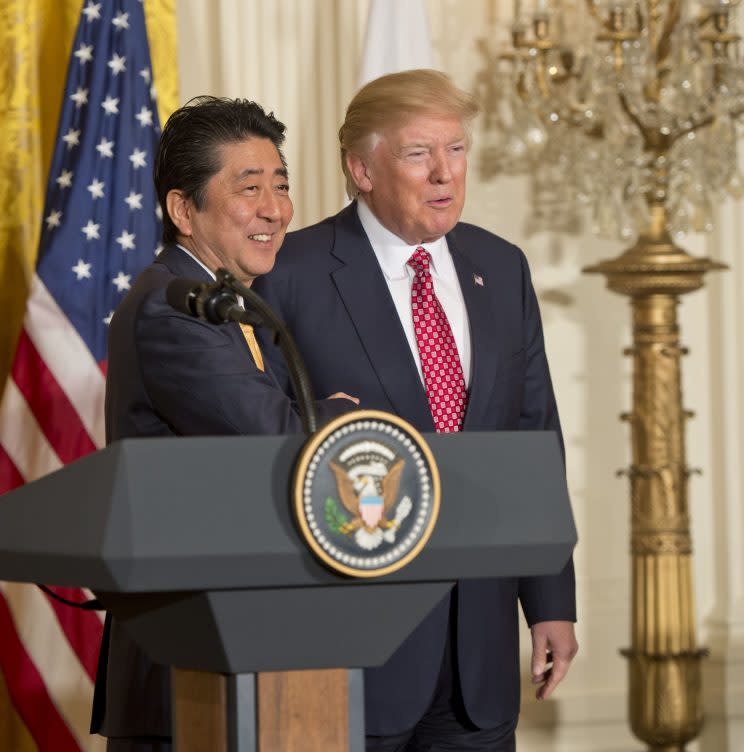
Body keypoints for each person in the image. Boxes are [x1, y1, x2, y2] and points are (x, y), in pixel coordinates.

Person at [253, 69, 578, 751]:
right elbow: (265, 455)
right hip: (349, 650)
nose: (444, 174)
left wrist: (550, 604)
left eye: (455, 150)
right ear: (360, 168)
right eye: (417, 153)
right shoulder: (291, 273)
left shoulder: (502, 267)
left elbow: (532, 441)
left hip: (480, 658)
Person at [91, 96, 357, 751]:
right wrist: (343, 416)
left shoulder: (227, 302)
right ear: (184, 210)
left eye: (282, 185)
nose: (275, 209)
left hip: (244, 644)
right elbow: (274, 436)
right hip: (187, 658)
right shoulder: (170, 309)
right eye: (250, 188)